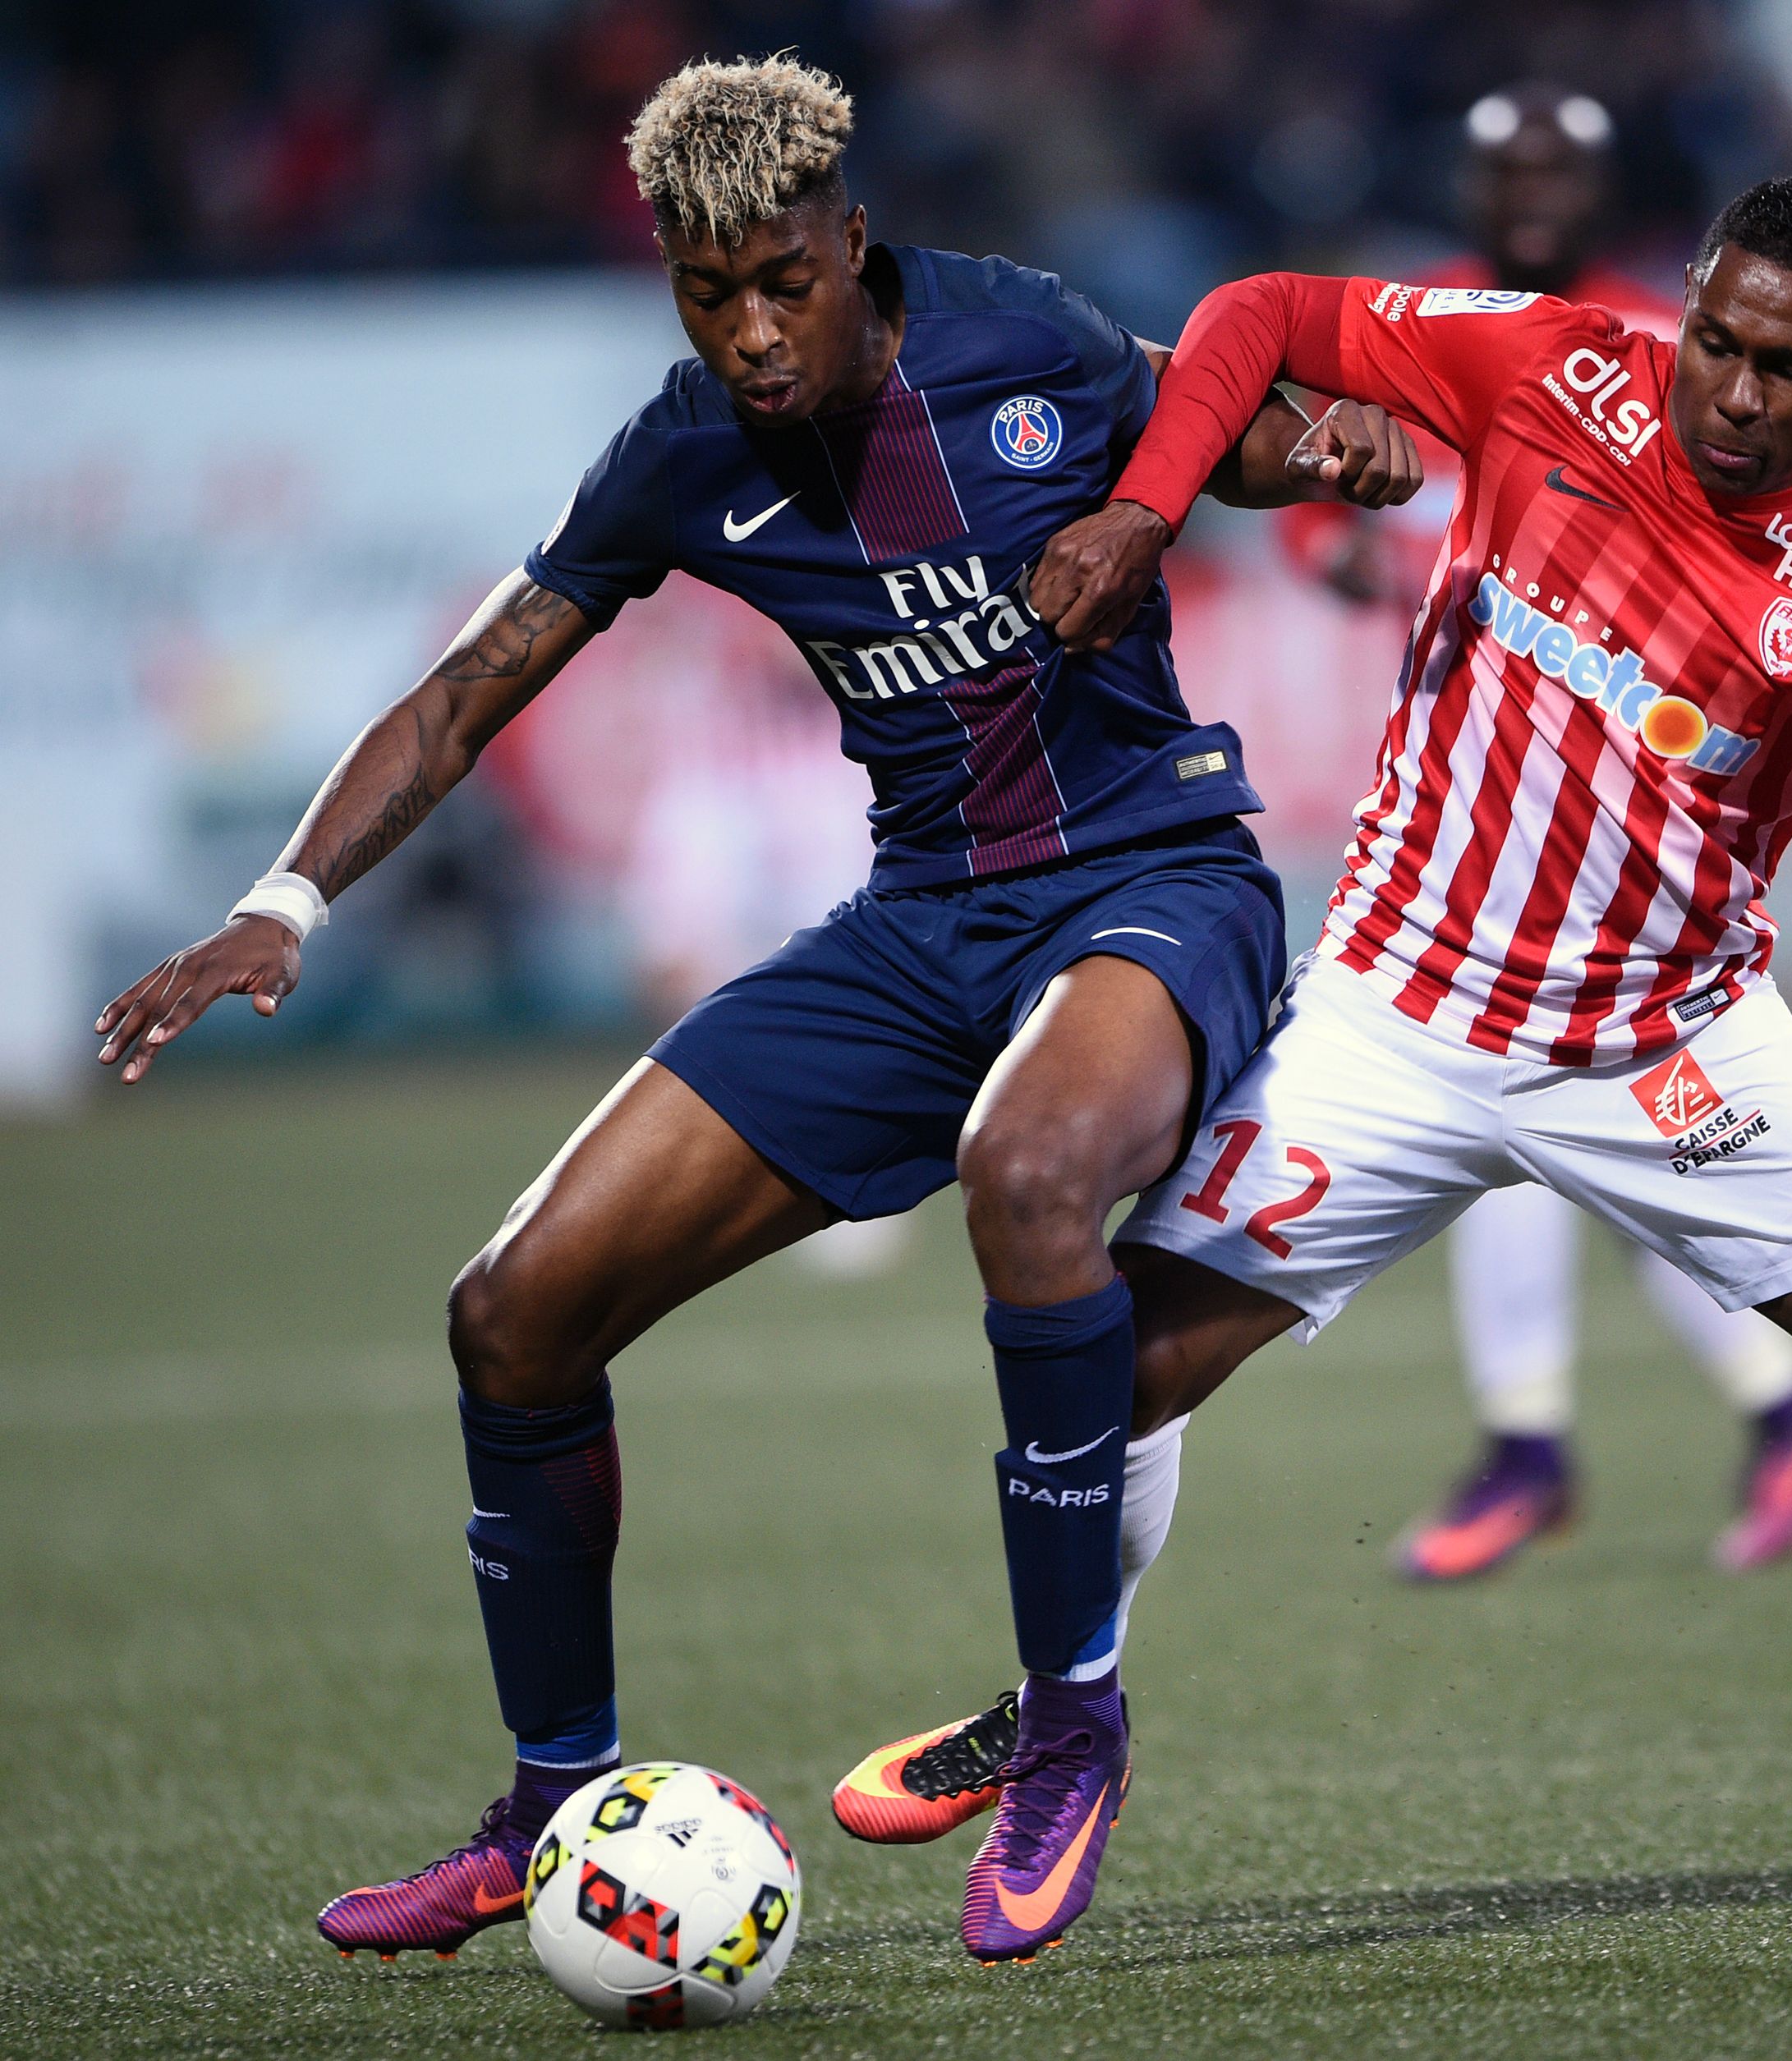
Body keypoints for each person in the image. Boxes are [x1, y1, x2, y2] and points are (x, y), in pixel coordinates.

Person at [91, 54, 1421, 1968]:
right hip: (916, 928)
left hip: (1156, 883)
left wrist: (1334, 444)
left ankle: (1070, 1725)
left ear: (852, 242)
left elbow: (1234, 426)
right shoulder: (679, 451)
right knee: (514, 1309)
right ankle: (551, 1806)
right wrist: (278, 900)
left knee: (1033, 1176)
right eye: (709, 293)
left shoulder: (1016, 336)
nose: (753, 329)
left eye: (784, 280)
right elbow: (472, 685)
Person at [842, 177, 1792, 1945]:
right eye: (1715, 336)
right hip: (1395, 1013)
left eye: (1788, 367)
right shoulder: (1559, 368)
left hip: (1666, 1046)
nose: (1731, 387)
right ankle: (1057, 1702)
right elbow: (1257, 309)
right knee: (1098, 1378)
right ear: (1687, 305)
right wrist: (1147, 505)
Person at [1279, 83, 1792, 1583]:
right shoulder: (1435, 329)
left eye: (1562, 170)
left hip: (1635, 832)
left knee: (1561, 1130)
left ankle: (1552, 1440)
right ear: (1465, 188)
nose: (1532, 193)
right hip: (1479, 793)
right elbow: (1316, 519)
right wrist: (1350, 514)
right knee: (1591, 1150)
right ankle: (1758, 1410)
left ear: (1614, 196)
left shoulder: (1684, 357)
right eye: (1504, 169)